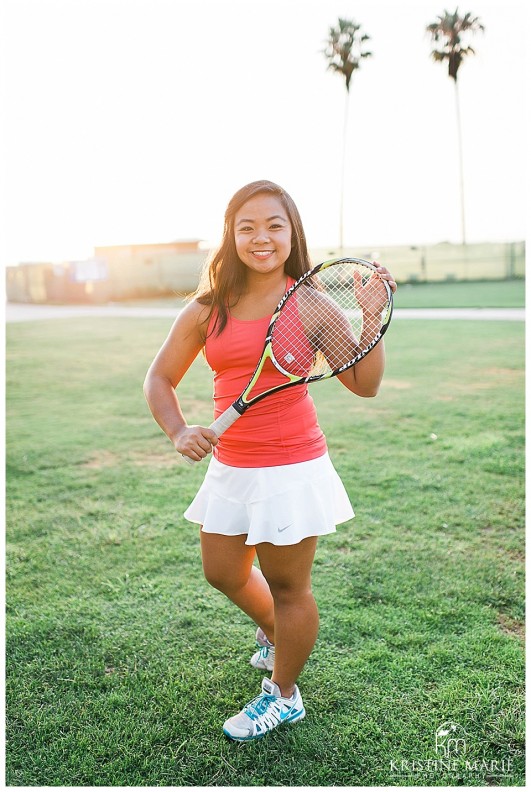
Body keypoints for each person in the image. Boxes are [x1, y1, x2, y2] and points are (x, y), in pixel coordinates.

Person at [143, 180, 397, 742]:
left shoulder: (310, 302)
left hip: (290, 468)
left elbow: (365, 383)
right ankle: (275, 633)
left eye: (274, 226)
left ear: (292, 233)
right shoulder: (209, 306)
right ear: (230, 236)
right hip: (231, 465)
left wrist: (370, 318)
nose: (261, 238)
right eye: (247, 226)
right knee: (223, 571)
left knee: (289, 588)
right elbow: (159, 377)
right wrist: (178, 428)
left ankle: (283, 695)